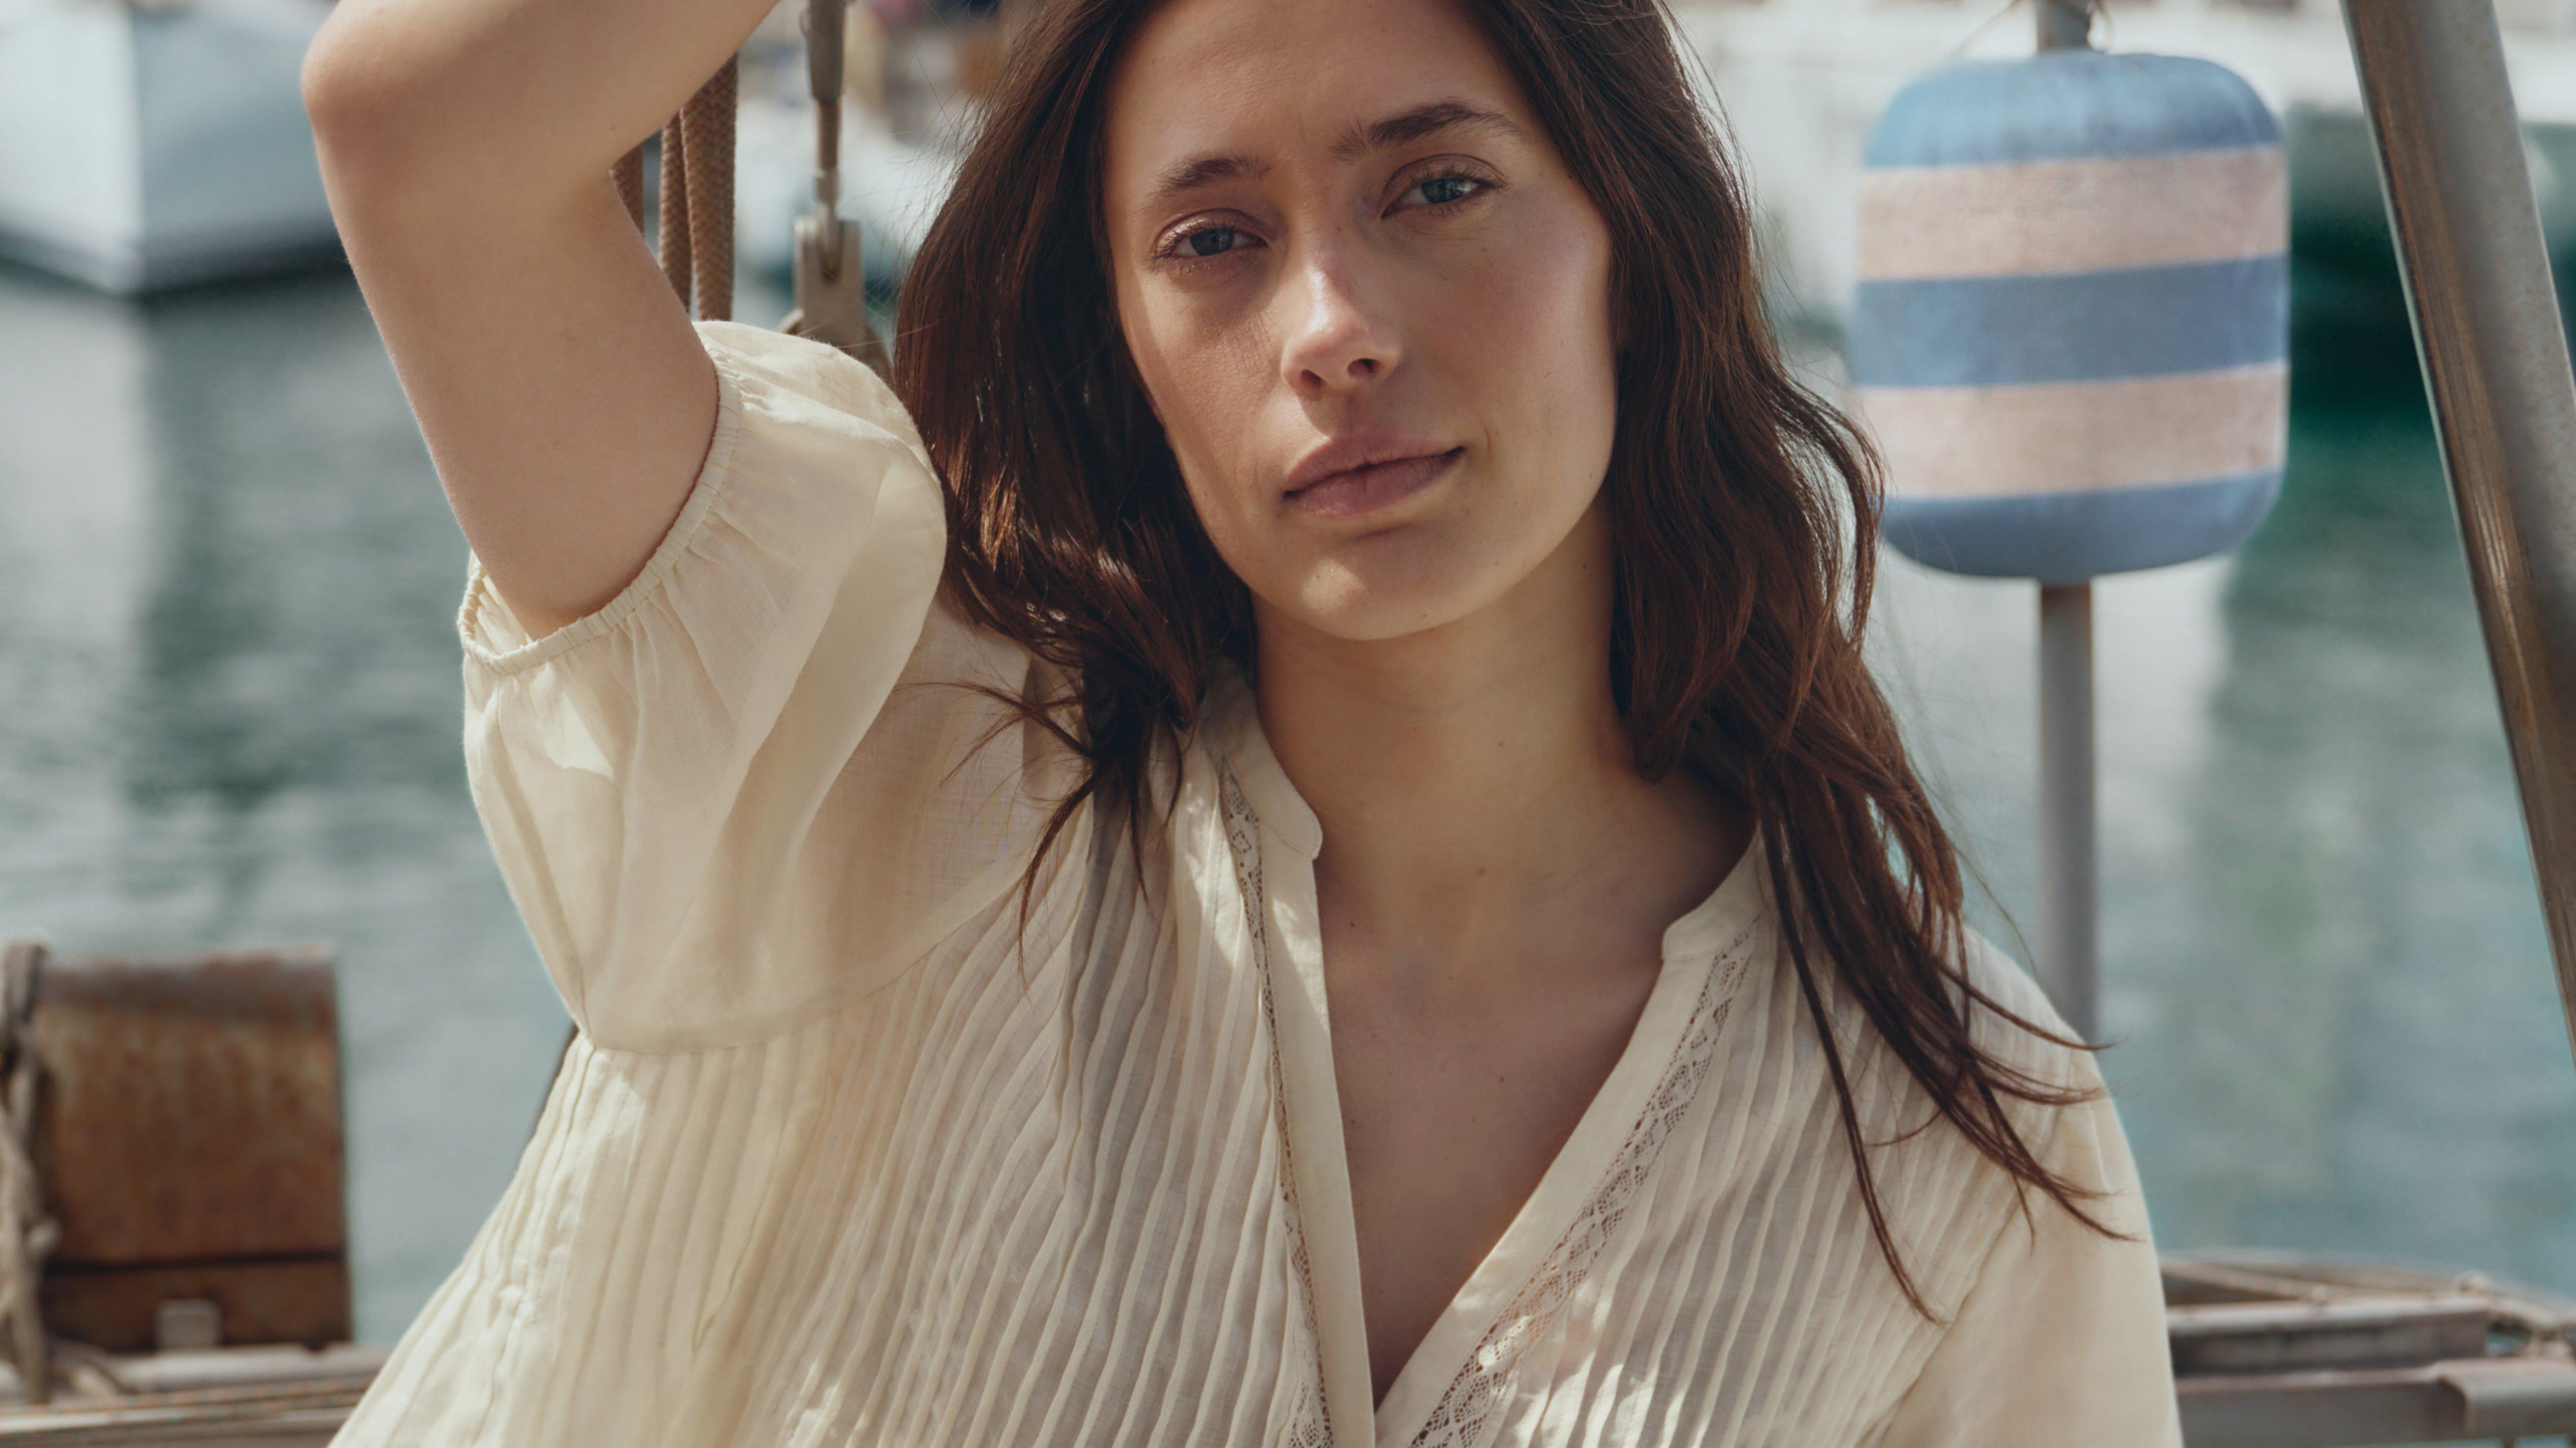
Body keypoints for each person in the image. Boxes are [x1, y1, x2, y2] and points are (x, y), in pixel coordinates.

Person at [299, 0, 2182, 1440]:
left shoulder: (1948, 1130)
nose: (1332, 326)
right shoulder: (880, 741)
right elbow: (425, 141)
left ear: (1633, 251)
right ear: (1117, 336)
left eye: (1435, 188)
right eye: (1212, 237)